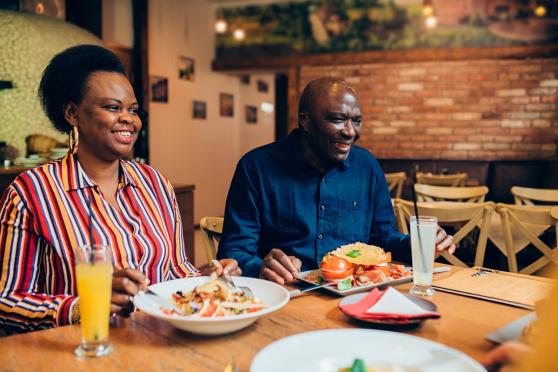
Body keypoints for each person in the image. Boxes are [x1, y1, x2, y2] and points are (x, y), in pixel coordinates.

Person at [0, 45, 238, 334]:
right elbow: (7, 300)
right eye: (113, 107)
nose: (129, 119)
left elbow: (176, 271)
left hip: (163, 343)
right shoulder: (31, 193)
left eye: (133, 110)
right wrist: (83, 305)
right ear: (72, 112)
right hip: (85, 349)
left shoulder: (156, 184)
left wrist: (205, 277)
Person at [217, 77, 455, 284]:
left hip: (355, 293)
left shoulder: (367, 166)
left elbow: (382, 238)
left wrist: (418, 245)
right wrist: (259, 267)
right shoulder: (256, 167)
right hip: (285, 293)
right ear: (305, 121)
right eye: (338, 119)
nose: (350, 131)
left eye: (357, 121)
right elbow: (234, 252)